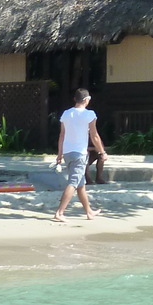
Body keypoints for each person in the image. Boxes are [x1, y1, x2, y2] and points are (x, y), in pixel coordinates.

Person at [53, 89, 104, 222]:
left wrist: (59, 154)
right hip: (80, 153)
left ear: (75, 99)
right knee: (73, 183)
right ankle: (60, 212)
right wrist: (102, 152)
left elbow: (62, 135)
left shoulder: (66, 113)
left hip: (67, 152)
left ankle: (89, 211)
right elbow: (94, 135)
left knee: (81, 183)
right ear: (87, 100)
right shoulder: (89, 114)